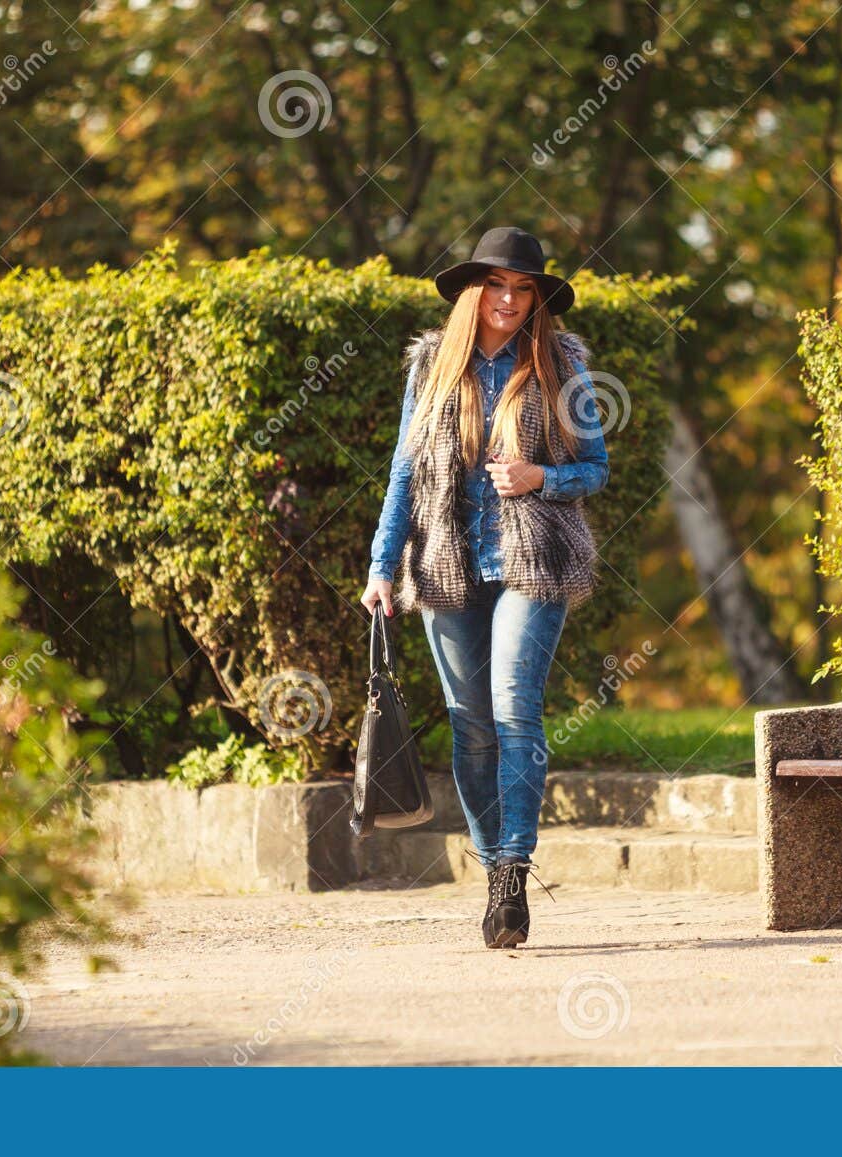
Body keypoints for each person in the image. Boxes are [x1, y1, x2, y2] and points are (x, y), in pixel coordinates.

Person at [360, 226, 610, 949]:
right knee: (469, 723)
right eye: (496, 285)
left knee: (511, 707)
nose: (508, 299)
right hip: (446, 565)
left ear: (537, 298)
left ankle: (512, 872)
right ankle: (492, 856)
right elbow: (404, 474)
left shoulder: (563, 364)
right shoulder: (434, 365)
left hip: (534, 560)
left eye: (522, 288)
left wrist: (542, 477)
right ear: (474, 291)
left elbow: (594, 467)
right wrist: (381, 567)